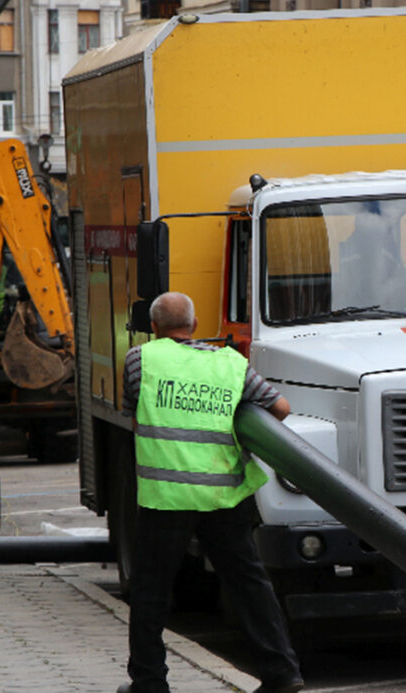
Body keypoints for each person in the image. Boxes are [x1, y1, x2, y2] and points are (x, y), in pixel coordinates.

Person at [117, 292, 303, 693]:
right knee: (249, 585)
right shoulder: (231, 364)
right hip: (223, 496)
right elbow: (282, 408)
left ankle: (149, 682)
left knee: (151, 590)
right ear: (195, 325)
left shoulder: (140, 359)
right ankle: (283, 673)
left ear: (154, 328)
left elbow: (134, 414)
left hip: (166, 498)